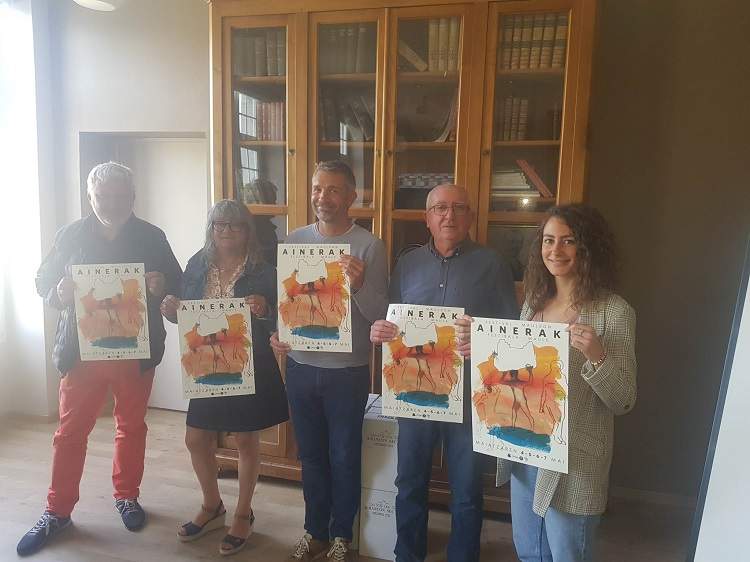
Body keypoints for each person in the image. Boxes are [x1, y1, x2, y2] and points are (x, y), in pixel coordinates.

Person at [18, 162, 182, 557]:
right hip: (81, 354)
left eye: (119, 195)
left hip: (135, 353)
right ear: (90, 196)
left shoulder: (152, 236)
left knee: (131, 427)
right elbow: (42, 281)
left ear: (133, 197)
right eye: (102, 196)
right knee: (70, 433)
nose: (111, 203)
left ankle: (127, 496)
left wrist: (162, 286)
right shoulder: (70, 234)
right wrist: (58, 293)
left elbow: (178, 285)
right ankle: (57, 511)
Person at [456, 203, 637, 562]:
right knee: (529, 552)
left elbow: (624, 400)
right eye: (549, 240)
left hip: (574, 464)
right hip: (526, 450)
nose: (556, 250)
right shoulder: (534, 304)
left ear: (588, 247)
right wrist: (481, 347)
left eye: (568, 241)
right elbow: (520, 370)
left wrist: (597, 356)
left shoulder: (614, 312)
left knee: (567, 556)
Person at [369, 184, 518, 562]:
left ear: (470, 217)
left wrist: (481, 337)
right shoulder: (407, 264)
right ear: (427, 218)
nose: (449, 216)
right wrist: (381, 330)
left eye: (458, 208)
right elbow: (392, 318)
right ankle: (408, 554)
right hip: (414, 393)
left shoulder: (492, 265)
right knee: (409, 482)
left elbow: (510, 329)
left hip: (468, 397)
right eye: (440, 208)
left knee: (466, 489)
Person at [270, 160, 388, 561]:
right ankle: (314, 530)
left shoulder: (369, 245)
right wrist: (279, 334)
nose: (324, 197)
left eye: (334, 190)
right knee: (310, 456)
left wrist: (359, 284)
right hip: (300, 367)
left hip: (347, 372)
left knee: (344, 456)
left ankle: (341, 535)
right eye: (318, 188)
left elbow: (379, 314)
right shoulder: (293, 241)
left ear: (351, 196)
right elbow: (286, 303)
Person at [160, 199, 289, 556]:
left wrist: (265, 309)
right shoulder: (196, 264)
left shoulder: (264, 271)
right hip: (206, 364)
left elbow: (282, 318)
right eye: (219, 224)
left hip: (250, 363)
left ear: (247, 230)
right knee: (195, 438)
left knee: (246, 440)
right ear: (211, 229)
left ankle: (244, 514)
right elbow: (185, 313)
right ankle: (212, 505)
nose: (226, 231)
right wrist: (170, 310)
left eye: (235, 224)